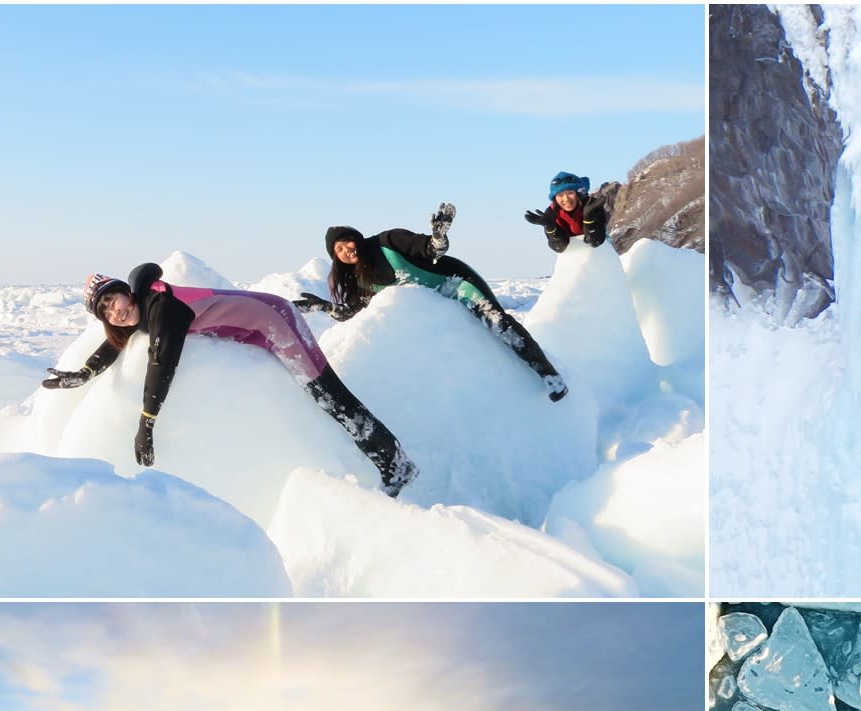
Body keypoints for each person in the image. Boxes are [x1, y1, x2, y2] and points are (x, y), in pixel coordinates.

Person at [44, 266, 415, 496]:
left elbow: (162, 361)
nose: (116, 311)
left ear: (126, 291)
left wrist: (147, 422)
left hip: (275, 321)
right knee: (326, 397)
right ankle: (391, 461)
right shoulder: (143, 309)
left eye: (113, 299)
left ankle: (396, 464)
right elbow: (115, 346)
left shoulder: (162, 307)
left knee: (330, 396)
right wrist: (85, 372)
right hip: (258, 327)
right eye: (105, 311)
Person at [299, 214, 568, 402]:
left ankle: (549, 374)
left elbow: (430, 250)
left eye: (347, 242)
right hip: (432, 305)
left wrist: (438, 237)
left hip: (455, 283)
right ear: (336, 258)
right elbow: (351, 313)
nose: (346, 249)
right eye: (338, 249)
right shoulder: (358, 281)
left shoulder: (387, 241)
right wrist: (323, 307)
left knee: (498, 324)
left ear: (356, 238)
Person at [523, 172, 609, 253]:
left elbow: (595, 242)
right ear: (555, 198)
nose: (566, 199)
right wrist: (550, 227)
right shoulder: (551, 213)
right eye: (560, 195)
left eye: (570, 193)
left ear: (578, 194)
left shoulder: (592, 206)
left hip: (598, 258)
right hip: (570, 259)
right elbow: (560, 247)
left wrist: (588, 217)